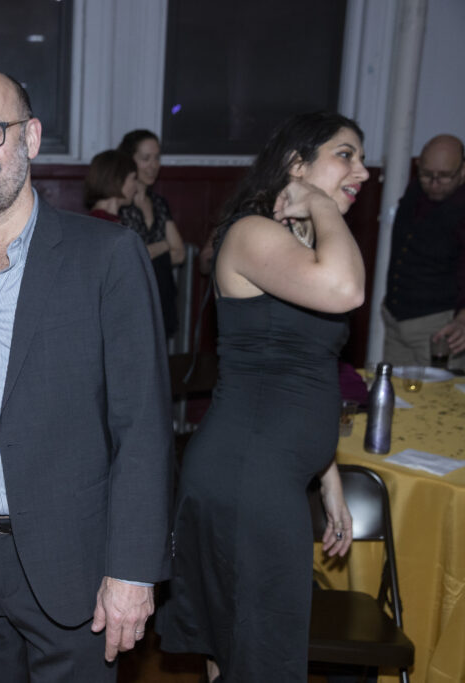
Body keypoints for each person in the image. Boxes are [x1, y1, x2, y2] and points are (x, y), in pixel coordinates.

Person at [0, 68, 173, 681]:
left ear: (30, 138)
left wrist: (133, 569)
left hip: (74, 555)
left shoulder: (106, 256)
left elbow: (143, 425)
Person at [156, 112, 365, 682]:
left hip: (270, 476)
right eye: (346, 154)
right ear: (297, 165)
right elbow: (347, 289)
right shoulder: (252, 234)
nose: (363, 171)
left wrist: (329, 482)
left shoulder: (300, 248)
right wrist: (319, 204)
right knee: (260, 658)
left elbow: (300, 374)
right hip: (244, 481)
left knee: (246, 657)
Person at [381, 134, 465, 369]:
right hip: (396, 317)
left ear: (463, 170)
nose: (434, 183)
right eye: (427, 175)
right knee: (396, 394)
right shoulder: (417, 187)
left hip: (439, 326)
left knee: (440, 400)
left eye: (445, 176)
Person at [117, 129, 187, 339]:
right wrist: (164, 245)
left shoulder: (158, 203)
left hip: (160, 292)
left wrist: (148, 251)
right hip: (131, 297)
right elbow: (128, 257)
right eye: (146, 158)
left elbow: (180, 254)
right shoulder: (119, 204)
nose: (153, 165)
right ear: (130, 161)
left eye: (157, 158)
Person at [84, 149, 139, 222]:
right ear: (118, 180)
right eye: (134, 178)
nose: (136, 186)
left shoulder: (102, 220)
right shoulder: (101, 224)